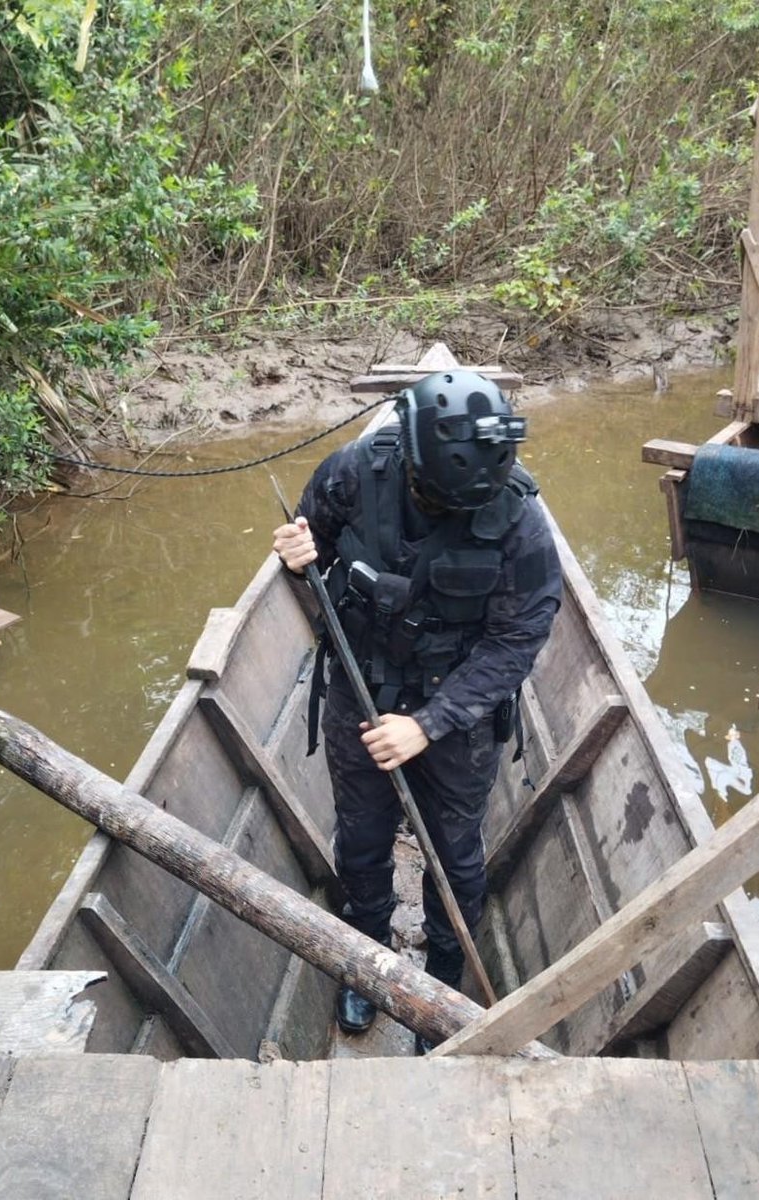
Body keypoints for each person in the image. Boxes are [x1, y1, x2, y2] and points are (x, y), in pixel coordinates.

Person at [272, 369, 562, 1053]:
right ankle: (367, 962)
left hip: (454, 712)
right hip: (359, 690)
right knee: (363, 838)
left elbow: (515, 642)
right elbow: (307, 540)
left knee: (456, 856)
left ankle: (443, 978)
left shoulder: (520, 523)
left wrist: (428, 723)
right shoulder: (352, 472)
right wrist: (293, 554)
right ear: (412, 465)